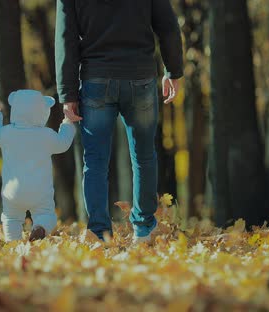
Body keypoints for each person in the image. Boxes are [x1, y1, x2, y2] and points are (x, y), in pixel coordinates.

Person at [55, 0, 184, 244]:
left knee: (94, 162)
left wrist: (68, 93)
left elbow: (66, 37)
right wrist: (173, 70)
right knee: (144, 157)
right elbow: (168, 25)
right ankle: (144, 230)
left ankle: (99, 232)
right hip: (140, 78)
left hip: (96, 79)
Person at [0, 90, 76, 242]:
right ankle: (39, 228)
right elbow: (63, 143)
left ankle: (13, 243)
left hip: (12, 192)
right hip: (39, 192)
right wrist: (68, 122)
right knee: (47, 215)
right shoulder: (46, 135)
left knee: (11, 218)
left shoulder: (7, 133)